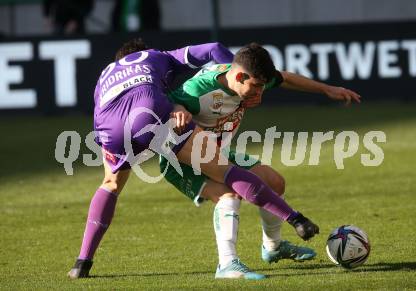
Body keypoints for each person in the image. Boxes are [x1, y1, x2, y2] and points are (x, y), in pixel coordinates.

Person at [68, 39, 320, 279]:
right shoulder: (157, 57)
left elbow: (104, 105)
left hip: (108, 124)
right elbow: (212, 49)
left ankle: (82, 262)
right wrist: (175, 106)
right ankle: (289, 223)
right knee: (226, 175)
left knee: (111, 184)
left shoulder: (106, 73)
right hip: (149, 111)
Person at [162, 43, 362, 279]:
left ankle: (273, 247)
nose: (260, 94)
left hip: (217, 151)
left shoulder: (246, 76)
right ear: (239, 76)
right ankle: (227, 264)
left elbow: (285, 78)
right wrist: (176, 107)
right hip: (180, 159)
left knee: (275, 183)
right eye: (255, 87)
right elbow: (167, 103)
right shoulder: (199, 91)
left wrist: (326, 89)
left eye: (263, 87)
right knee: (229, 194)